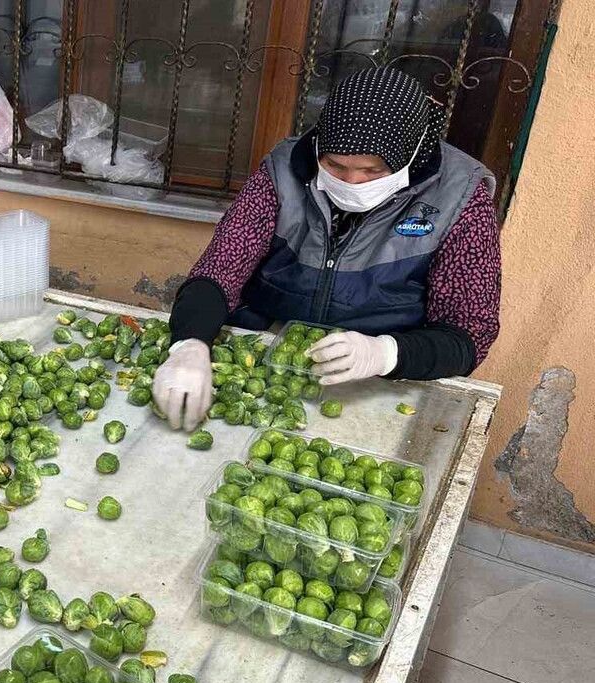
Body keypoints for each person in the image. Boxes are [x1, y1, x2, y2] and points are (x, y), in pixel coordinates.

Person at [153, 67, 501, 430]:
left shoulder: (460, 199)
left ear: (410, 157)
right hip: (263, 361)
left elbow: (467, 333)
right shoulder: (283, 170)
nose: (351, 181)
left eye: (372, 171)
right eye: (334, 165)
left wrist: (385, 353)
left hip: (377, 383)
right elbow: (219, 269)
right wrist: (190, 344)